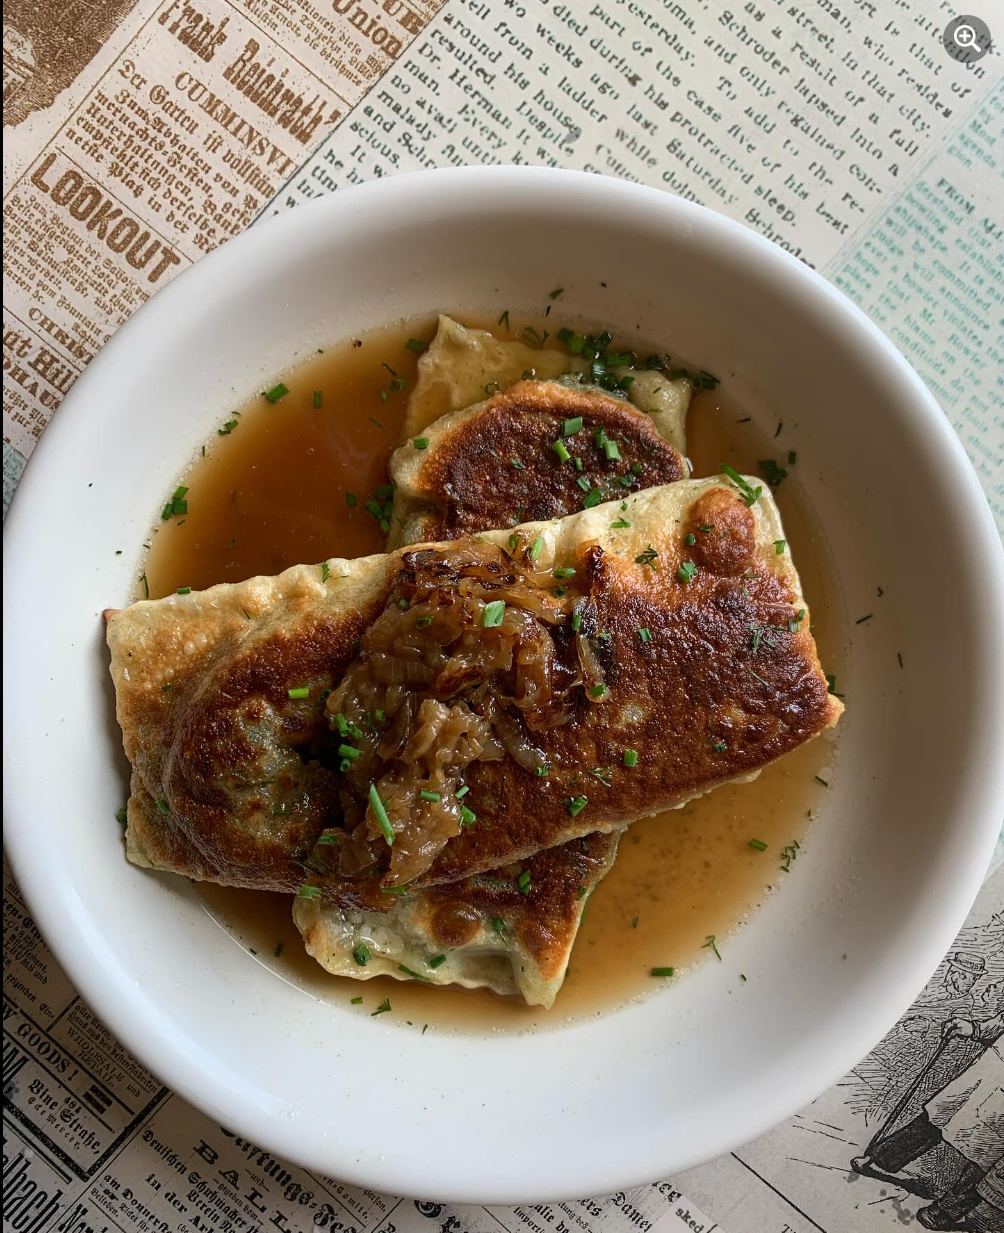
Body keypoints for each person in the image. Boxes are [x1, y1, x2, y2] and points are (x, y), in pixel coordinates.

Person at [852, 993, 1002, 1231]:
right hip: (992, 1069)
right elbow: (1000, 1022)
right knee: (935, 1117)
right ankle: (879, 1159)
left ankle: (944, 1211)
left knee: (984, 1156)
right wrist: (974, 1029)